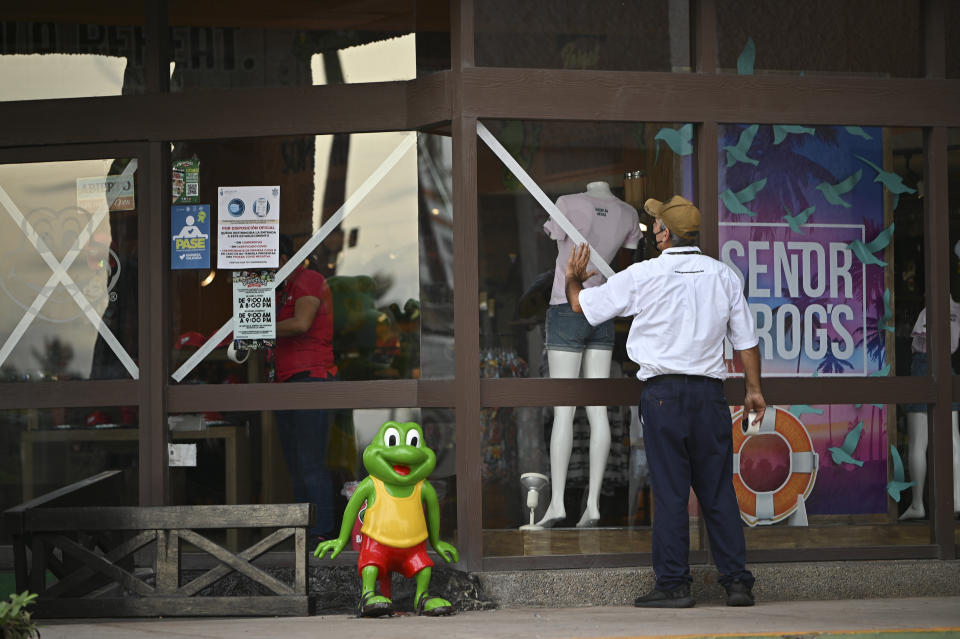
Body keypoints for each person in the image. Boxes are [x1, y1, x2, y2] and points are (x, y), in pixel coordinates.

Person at [564, 195, 766, 608]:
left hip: (663, 398)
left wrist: (574, 277)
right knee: (717, 492)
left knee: (672, 493)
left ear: (663, 234)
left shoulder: (644, 274)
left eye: (655, 223)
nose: (653, 228)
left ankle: (674, 585)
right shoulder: (723, 276)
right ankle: (737, 584)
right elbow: (746, 341)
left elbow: (581, 307)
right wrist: (754, 389)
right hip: (710, 396)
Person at [538, 180, 641, 528]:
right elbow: (627, 247)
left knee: (563, 411)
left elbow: (555, 237)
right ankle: (593, 504)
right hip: (602, 308)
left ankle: (556, 504)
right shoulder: (628, 213)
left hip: (566, 304)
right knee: (598, 411)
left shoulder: (566, 200)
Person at [272, 234, 338, 541]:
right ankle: (303, 534)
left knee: (311, 463)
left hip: (311, 377)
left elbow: (301, 323)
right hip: (285, 380)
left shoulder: (308, 278)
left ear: (284, 259)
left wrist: (256, 326)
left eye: (268, 260)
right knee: (295, 465)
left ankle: (321, 536)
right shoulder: (278, 289)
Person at [900, 300, 960, 520]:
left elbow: (921, 337)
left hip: (925, 364)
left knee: (918, 442)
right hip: (948, 365)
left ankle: (917, 504)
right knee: (953, 438)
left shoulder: (931, 308)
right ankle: (957, 498)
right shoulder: (957, 311)